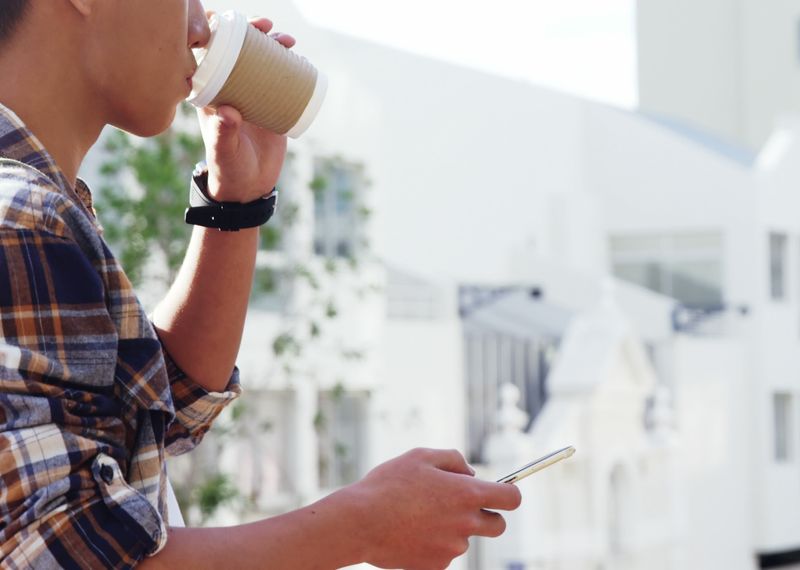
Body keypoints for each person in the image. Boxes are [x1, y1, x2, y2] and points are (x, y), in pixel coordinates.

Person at [0, 1, 521, 568]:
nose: (200, 27)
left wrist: (235, 204)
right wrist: (364, 524)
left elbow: (148, 414)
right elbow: (62, 554)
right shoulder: (21, 215)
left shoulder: (40, 207)